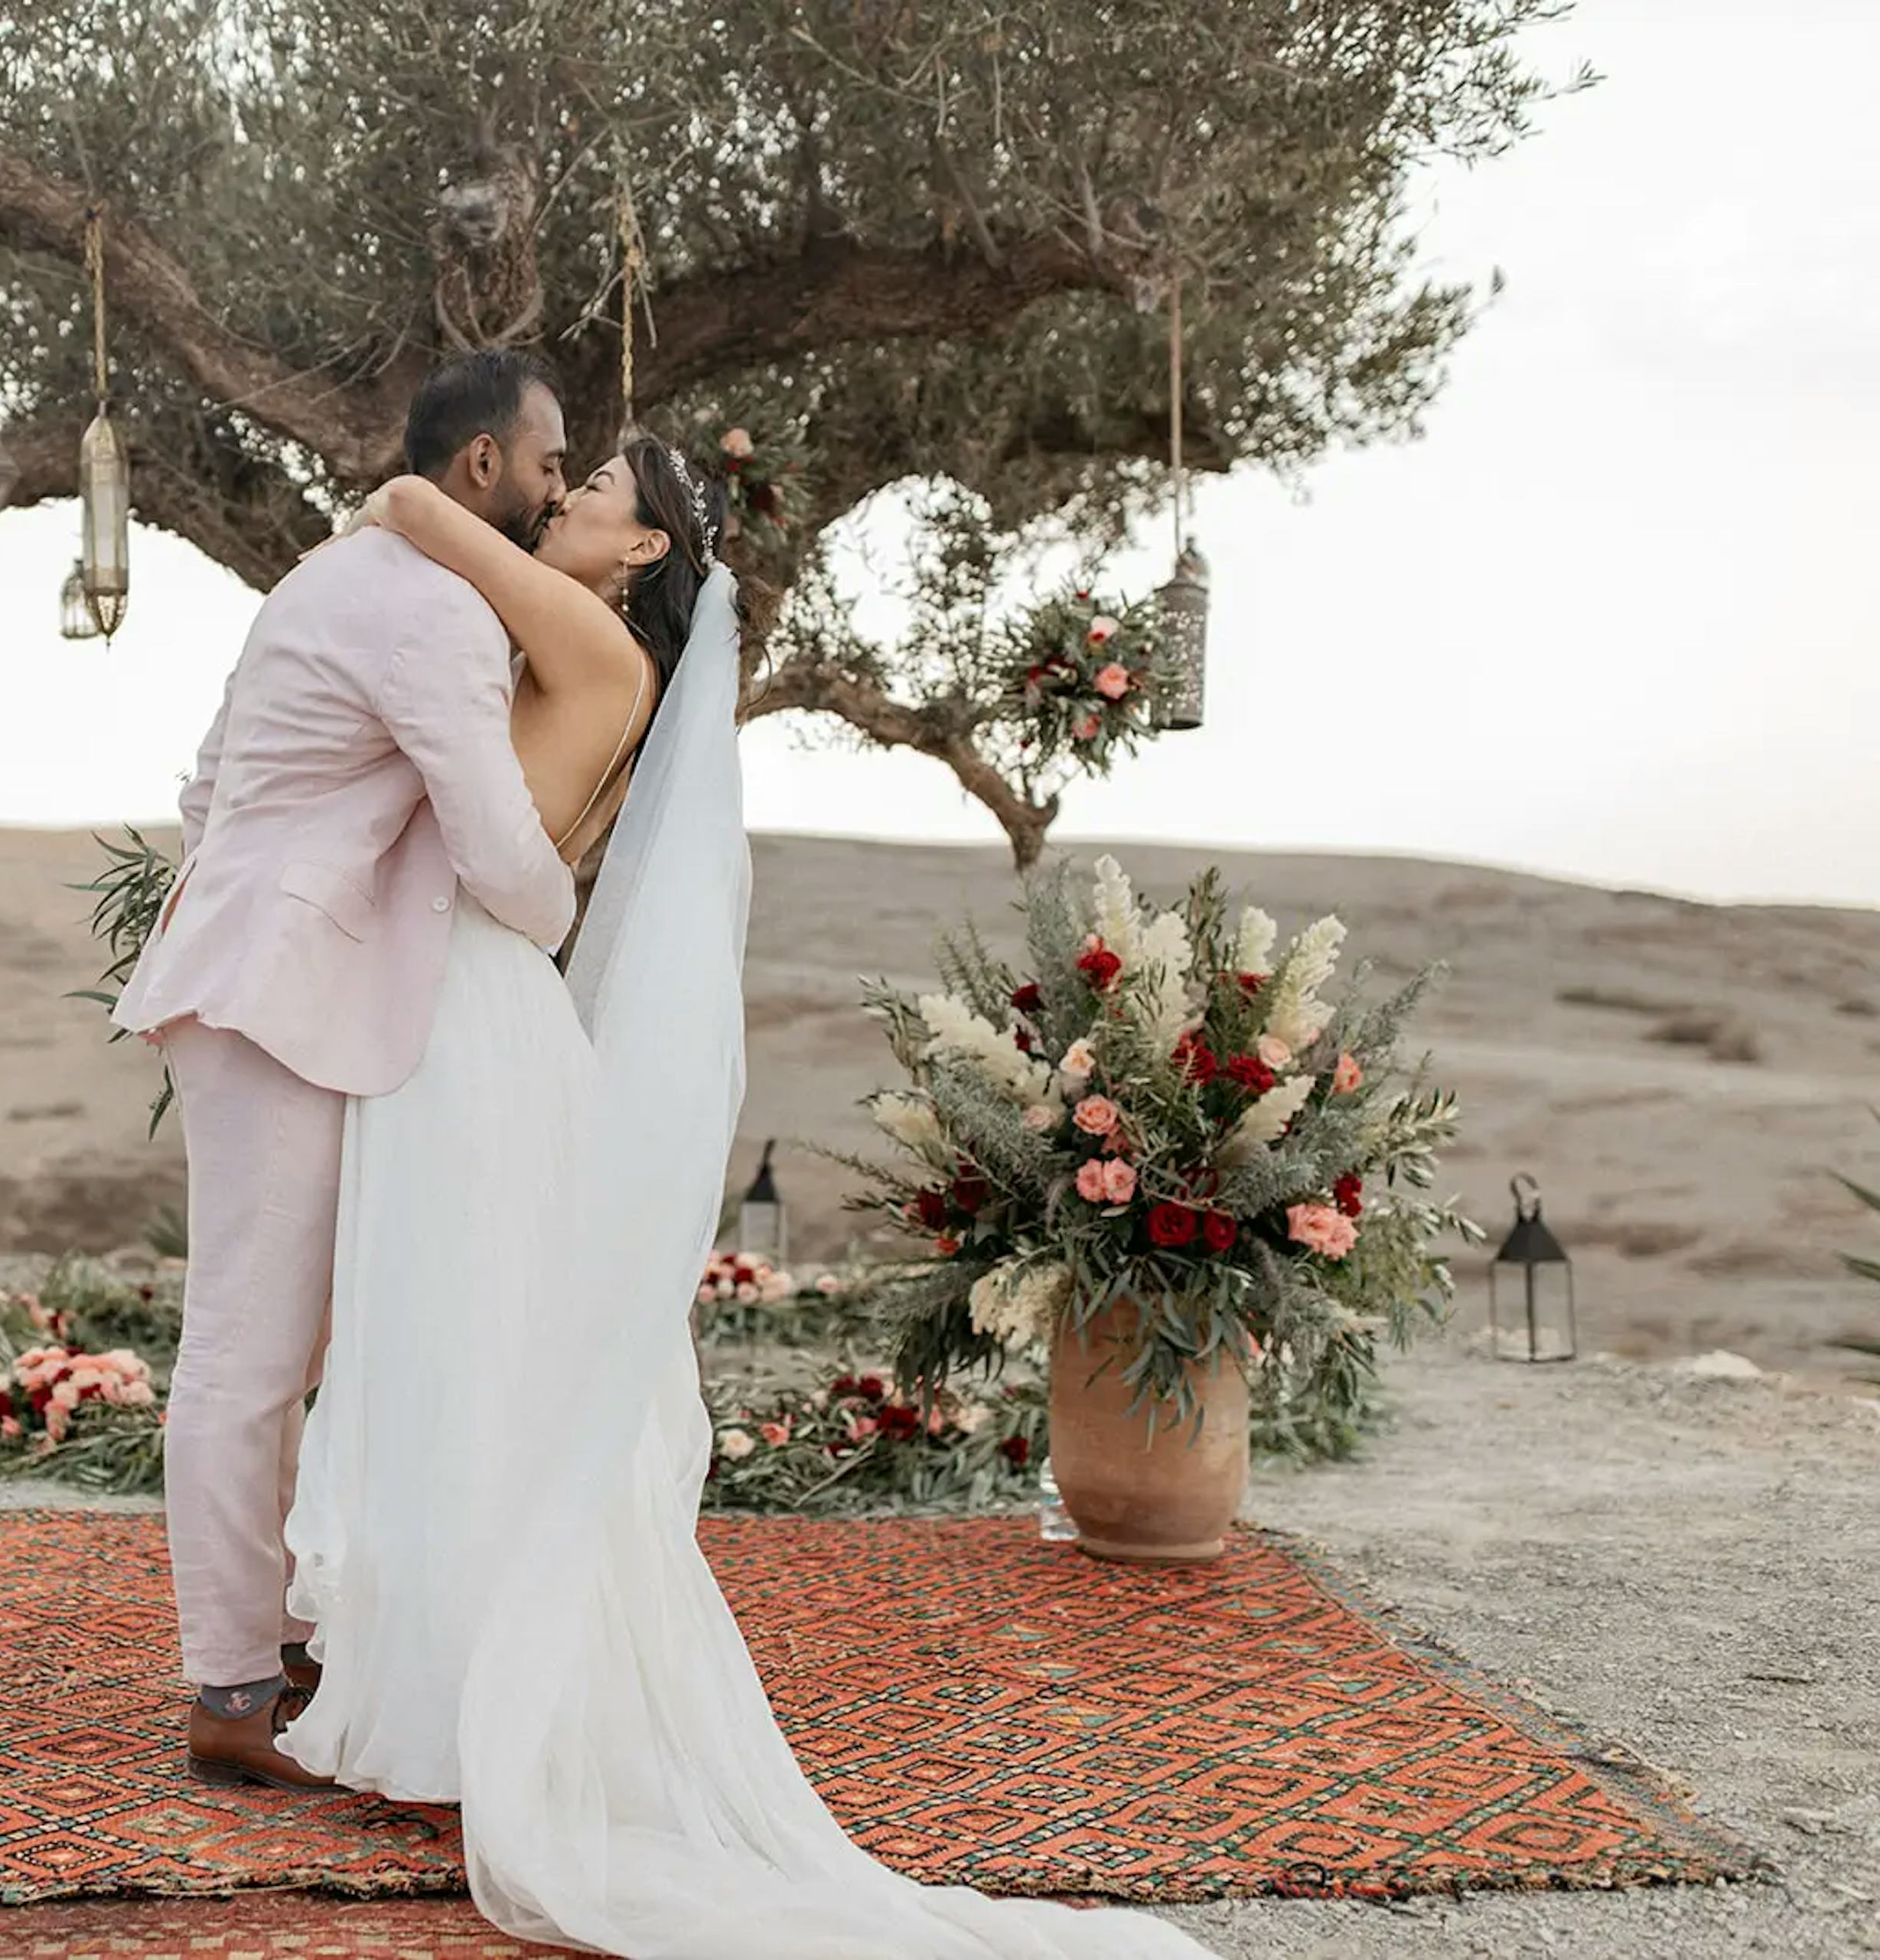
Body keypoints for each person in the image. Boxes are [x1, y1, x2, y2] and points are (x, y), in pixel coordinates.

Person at [272, 435, 1222, 1959]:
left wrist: (426, 500)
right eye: (563, 486)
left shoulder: (582, 635)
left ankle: (484, 1707)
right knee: (460, 1349)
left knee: (471, 1350)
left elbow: (412, 509)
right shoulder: (573, 640)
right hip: (467, 1012)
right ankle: (439, 1687)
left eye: (592, 497)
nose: (564, 500)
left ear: (643, 553)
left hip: (474, 1019)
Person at [109, 348, 577, 1790]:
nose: (561, 487)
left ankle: (279, 1635)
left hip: (259, 973)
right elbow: (499, 842)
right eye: (551, 462)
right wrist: (573, 928)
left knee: (286, 1344)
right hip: (272, 997)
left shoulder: (322, 576)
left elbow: (207, 788)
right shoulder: (435, 605)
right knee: (250, 1347)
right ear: (483, 465)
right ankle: (232, 1686)